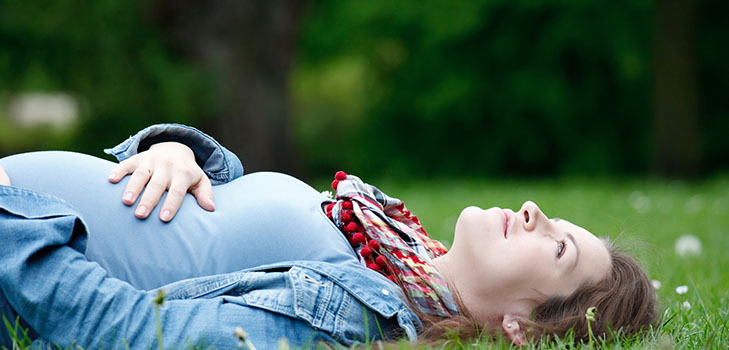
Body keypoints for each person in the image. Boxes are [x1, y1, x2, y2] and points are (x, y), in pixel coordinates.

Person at [0, 124, 658, 349]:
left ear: (522, 326)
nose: (533, 209)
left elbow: (135, 333)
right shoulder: (383, 239)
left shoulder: (352, 316)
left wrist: (11, 223)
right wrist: (174, 149)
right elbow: (225, 203)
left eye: (556, 245)